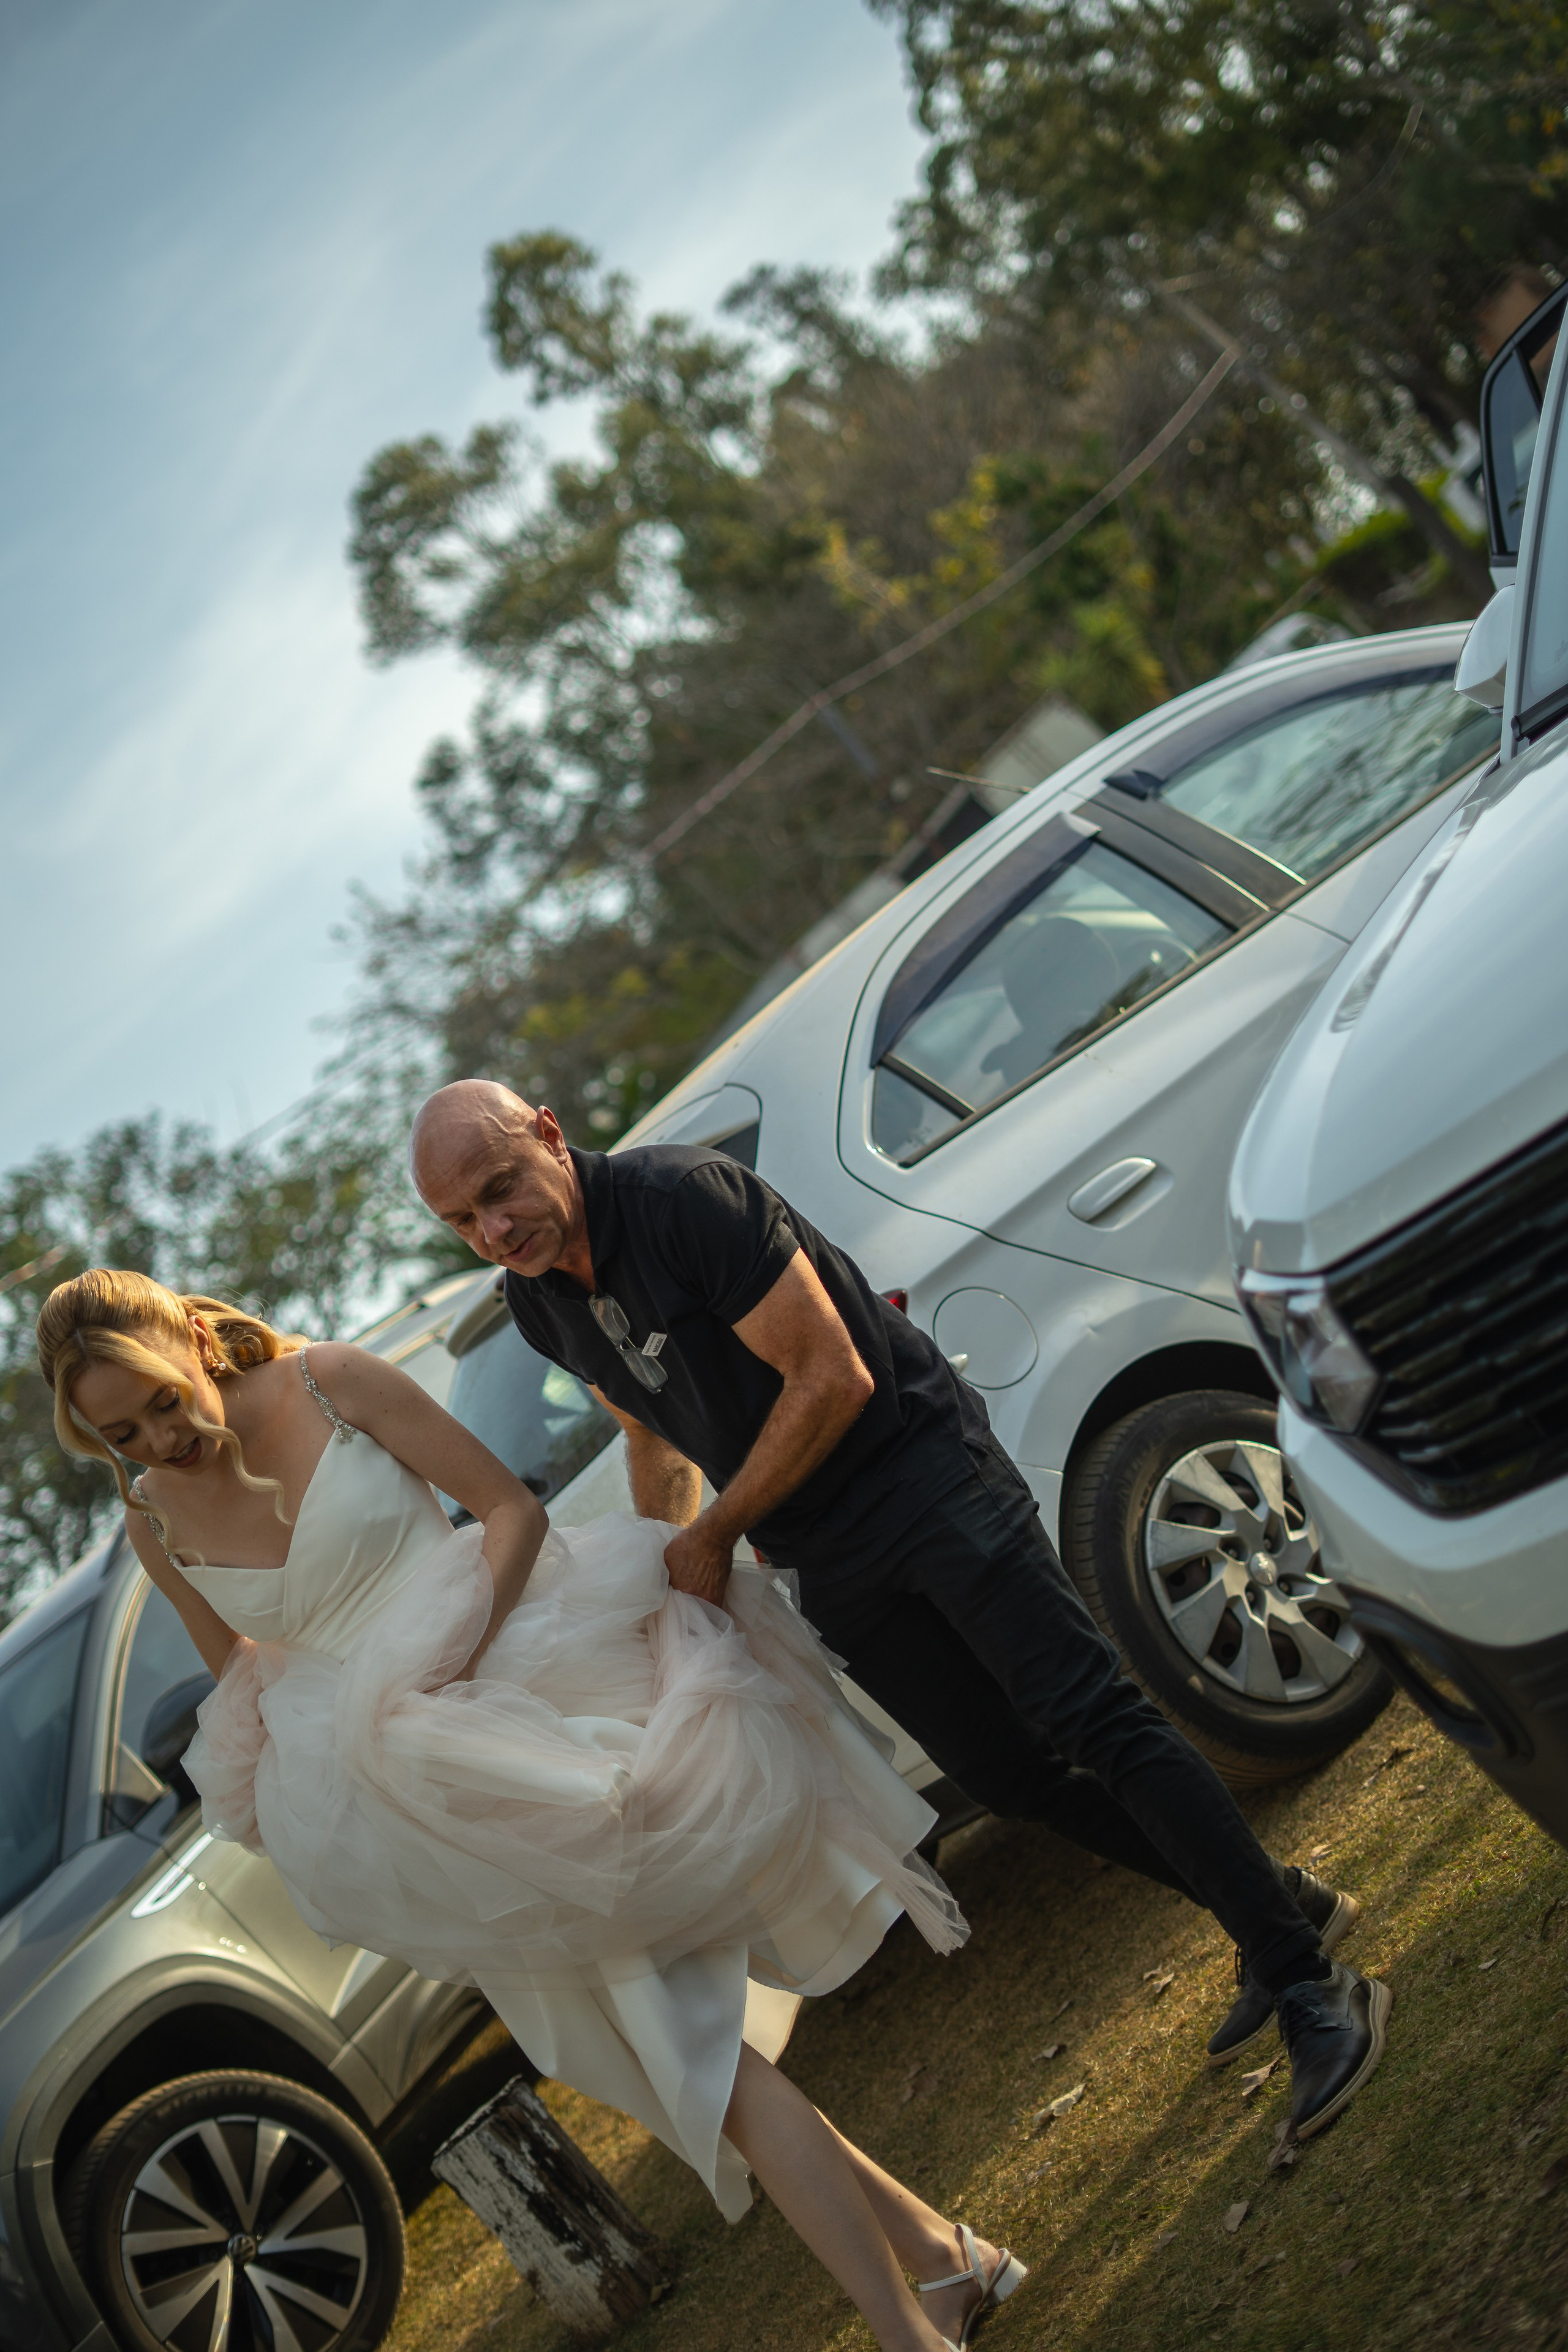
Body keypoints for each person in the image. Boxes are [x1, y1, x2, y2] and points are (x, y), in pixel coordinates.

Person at [39, 1268, 1027, 2352]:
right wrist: (313, 1776)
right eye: (122, 1436)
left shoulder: (331, 1382)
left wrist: (443, 1675)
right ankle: (948, 2260)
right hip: (412, 1809)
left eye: (163, 1403)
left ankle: (912, 2327)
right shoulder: (150, 1517)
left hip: (523, 1700)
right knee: (667, 2055)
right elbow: (240, 1673)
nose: (159, 1441)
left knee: (691, 2051)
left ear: (192, 1338)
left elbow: (511, 1511)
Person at [411, 1080, 1394, 2143]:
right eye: (463, 1221)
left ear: (550, 1135)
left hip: (923, 1476)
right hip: (824, 1550)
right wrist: (666, 1563)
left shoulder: (684, 1198)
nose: (493, 1231)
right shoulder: (538, 1302)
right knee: (1006, 1775)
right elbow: (652, 1432)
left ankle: (1309, 1981)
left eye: (500, 1190)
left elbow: (830, 1376)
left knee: (1093, 1717)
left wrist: (717, 1532)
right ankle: (1277, 1906)